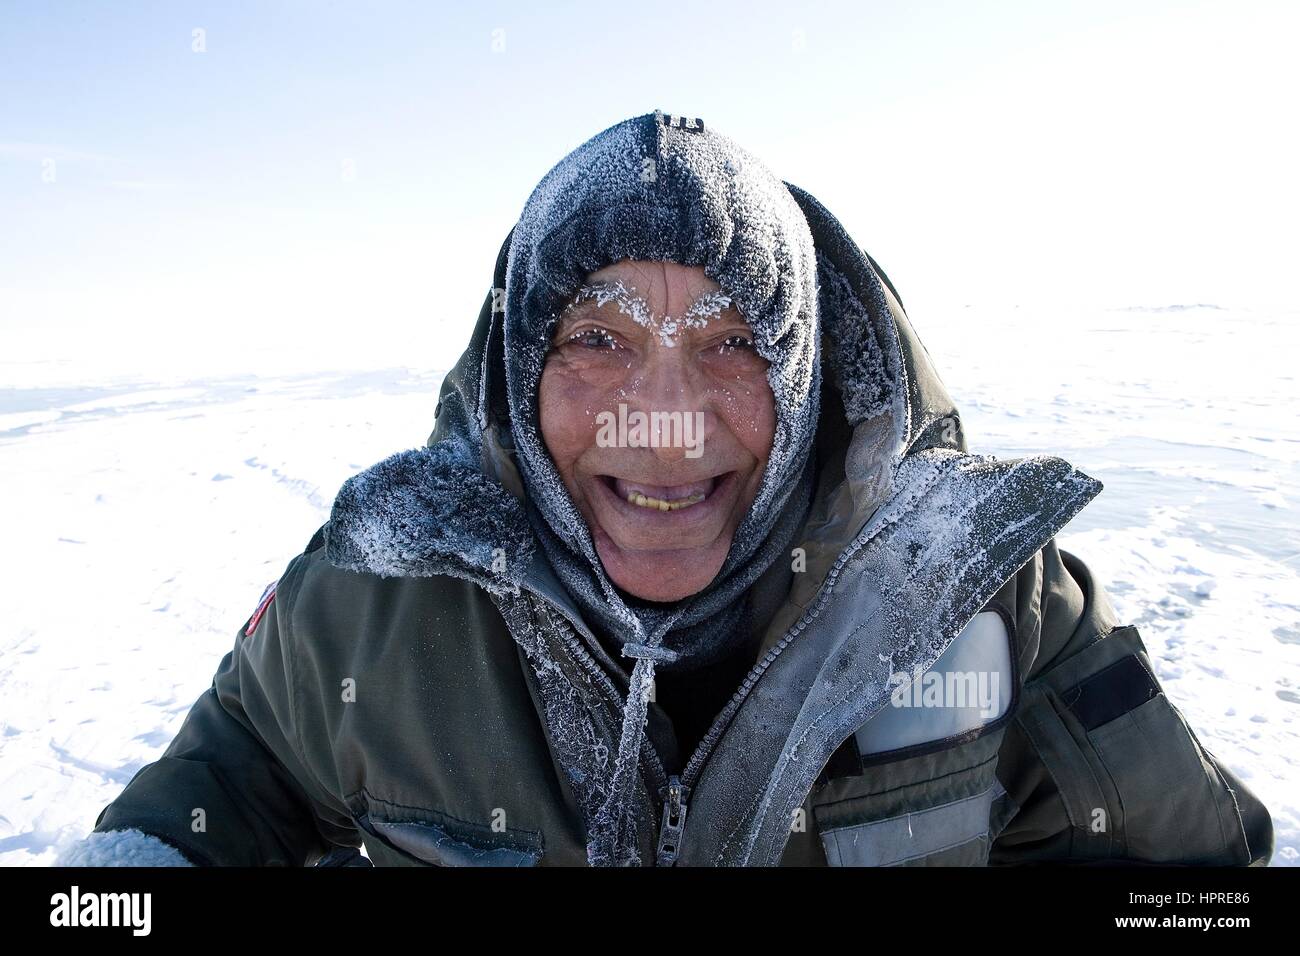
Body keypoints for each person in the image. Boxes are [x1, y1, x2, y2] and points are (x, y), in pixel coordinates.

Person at [56, 110, 1273, 867]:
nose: (666, 415)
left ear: (807, 377)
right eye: (597, 336)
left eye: (735, 342)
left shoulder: (990, 602)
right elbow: (218, 796)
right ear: (518, 366)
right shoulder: (371, 592)